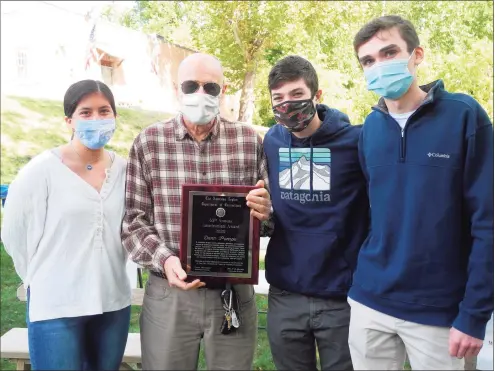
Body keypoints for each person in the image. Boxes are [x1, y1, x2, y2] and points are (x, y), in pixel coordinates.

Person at [348, 15, 494, 370]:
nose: (378, 65)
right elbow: (373, 212)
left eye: (389, 52)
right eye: (368, 61)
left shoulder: (464, 116)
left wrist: (474, 314)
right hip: (370, 302)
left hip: (439, 310)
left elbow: (488, 222)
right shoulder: (370, 128)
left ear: (417, 55)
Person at [121, 52, 272, 370]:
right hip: (169, 293)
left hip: (232, 293)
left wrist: (266, 211)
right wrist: (165, 258)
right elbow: (133, 222)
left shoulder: (248, 141)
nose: (200, 94)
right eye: (190, 86)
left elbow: (271, 217)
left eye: (210, 87)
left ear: (223, 90)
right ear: (177, 89)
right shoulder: (149, 143)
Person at [1, 80, 132, 370]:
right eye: (86, 112)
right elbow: (14, 235)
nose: (96, 119)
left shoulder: (125, 170)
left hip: (112, 304)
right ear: (69, 120)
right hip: (56, 307)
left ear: (114, 117)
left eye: (104, 110)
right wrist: (42, 277)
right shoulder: (41, 171)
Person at [262, 55, 369, 371]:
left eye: (296, 95)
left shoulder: (356, 142)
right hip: (285, 292)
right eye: (278, 98)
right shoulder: (272, 141)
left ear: (317, 96)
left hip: (340, 295)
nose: (287, 105)